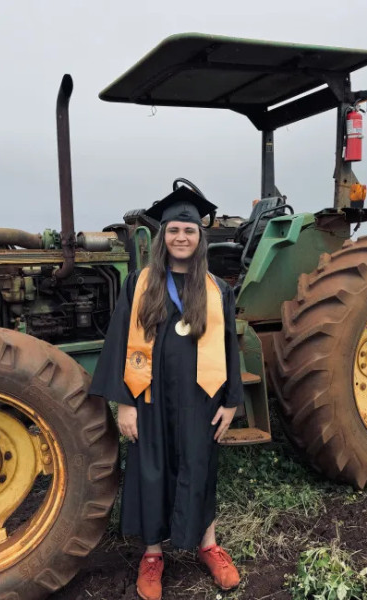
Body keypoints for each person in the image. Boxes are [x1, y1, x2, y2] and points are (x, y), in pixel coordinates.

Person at [89, 186, 244, 600]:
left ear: (199, 238)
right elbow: (121, 340)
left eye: (189, 231)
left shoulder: (216, 289)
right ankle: (153, 555)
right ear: (163, 237)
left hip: (201, 397)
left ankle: (208, 546)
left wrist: (231, 401)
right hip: (149, 397)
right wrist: (124, 403)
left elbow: (229, 344)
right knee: (151, 470)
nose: (181, 237)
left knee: (200, 465)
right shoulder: (141, 284)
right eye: (174, 230)